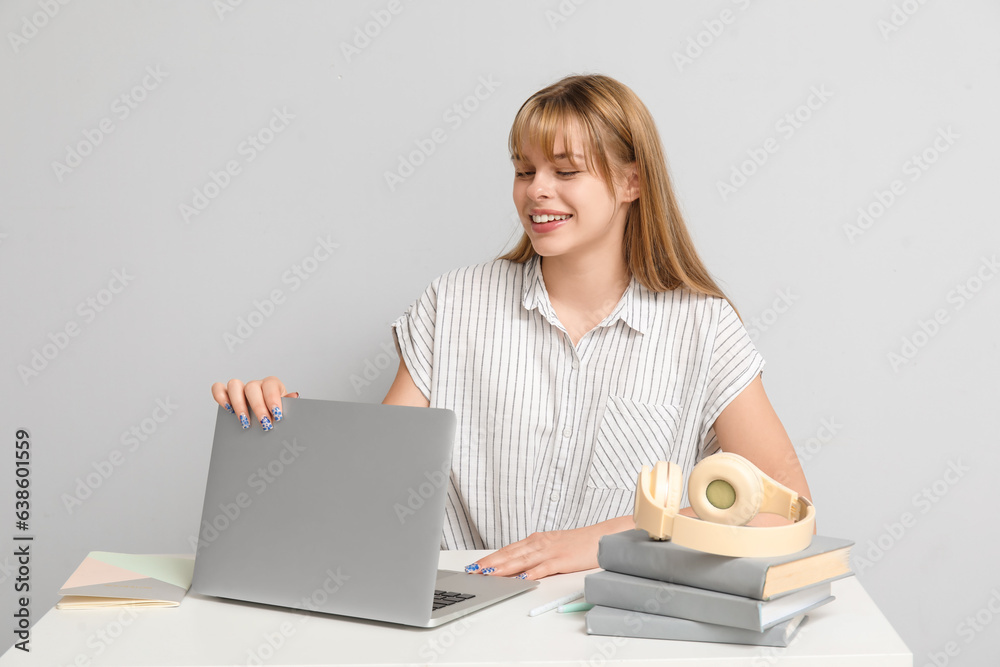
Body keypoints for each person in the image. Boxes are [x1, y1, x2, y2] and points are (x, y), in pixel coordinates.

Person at [211, 73, 812, 582]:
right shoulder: (453, 304)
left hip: (612, 618)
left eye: (565, 170)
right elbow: (373, 487)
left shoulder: (703, 328)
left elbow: (785, 511)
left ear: (632, 182)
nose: (536, 191)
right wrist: (280, 432)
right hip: (458, 611)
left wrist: (613, 537)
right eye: (524, 170)